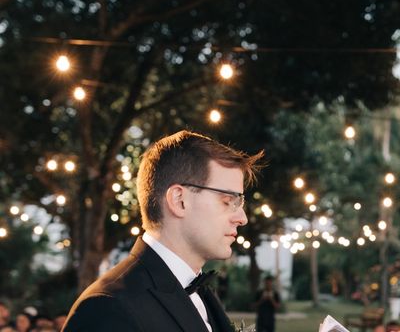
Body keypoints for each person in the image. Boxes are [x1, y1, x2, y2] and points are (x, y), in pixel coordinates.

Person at [63, 130, 263, 332]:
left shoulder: (202, 293)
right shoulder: (107, 309)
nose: (242, 218)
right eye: (228, 201)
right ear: (179, 200)